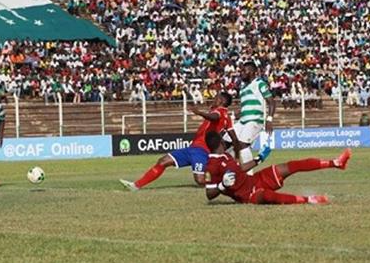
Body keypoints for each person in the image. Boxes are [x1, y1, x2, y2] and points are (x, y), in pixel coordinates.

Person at [119, 92, 244, 190]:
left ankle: (225, 183)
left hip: (202, 151)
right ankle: (136, 185)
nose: (214, 99)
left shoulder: (220, 112)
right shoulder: (227, 118)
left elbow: (214, 117)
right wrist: (237, 158)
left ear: (221, 101)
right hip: (193, 148)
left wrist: (199, 113)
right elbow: (234, 139)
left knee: (200, 181)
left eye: (216, 98)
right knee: (163, 161)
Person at [204, 131, 352, 205]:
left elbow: (240, 168)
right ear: (221, 143)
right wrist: (222, 185)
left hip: (255, 180)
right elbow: (209, 194)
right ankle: (309, 200)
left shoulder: (226, 156)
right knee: (268, 196)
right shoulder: (210, 166)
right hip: (248, 195)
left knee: (291, 166)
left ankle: (336, 163)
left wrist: (258, 159)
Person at [223, 61, 276, 170]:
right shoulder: (243, 89)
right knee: (225, 142)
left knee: (242, 144)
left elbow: (271, 102)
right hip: (243, 121)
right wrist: (236, 115)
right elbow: (246, 108)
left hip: (255, 120)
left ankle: (248, 176)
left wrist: (269, 119)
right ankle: (230, 169)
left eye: (244, 71)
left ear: (252, 72)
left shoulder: (259, 83)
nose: (241, 73)